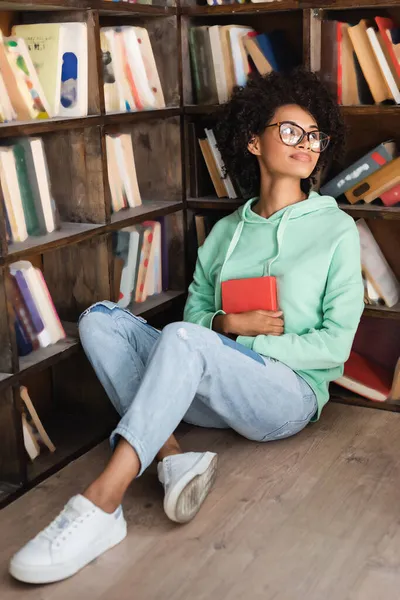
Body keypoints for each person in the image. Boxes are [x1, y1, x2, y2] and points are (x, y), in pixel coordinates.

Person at [9, 68, 364, 584]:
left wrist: (237, 340)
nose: (306, 144)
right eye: (290, 131)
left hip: (288, 396)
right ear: (253, 141)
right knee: (99, 321)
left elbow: (337, 345)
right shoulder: (224, 234)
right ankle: (171, 455)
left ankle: (102, 504)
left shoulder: (336, 230)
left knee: (182, 339)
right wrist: (224, 320)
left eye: (314, 136)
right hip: (215, 384)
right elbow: (195, 316)